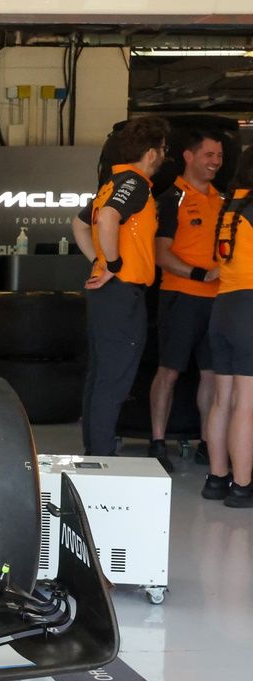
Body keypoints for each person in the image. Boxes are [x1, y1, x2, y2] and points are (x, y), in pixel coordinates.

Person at [71, 115, 170, 457]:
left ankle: (95, 451)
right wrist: (112, 265)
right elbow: (109, 217)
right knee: (113, 378)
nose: (163, 155)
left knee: (101, 375)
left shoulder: (112, 183)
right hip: (122, 293)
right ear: (152, 153)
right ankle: (101, 456)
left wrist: (98, 262)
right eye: (163, 148)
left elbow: (80, 224)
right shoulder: (136, 183)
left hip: (108, 294)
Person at [148, 131, 225, 473]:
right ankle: (157, 441)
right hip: (180, 297)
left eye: (219, 156)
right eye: (209, 155)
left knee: (212, 375)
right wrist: (199, 274)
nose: (215, 162)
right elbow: (161, 254)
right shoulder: (171, 199)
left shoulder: (223, 200)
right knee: (169, 371)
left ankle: (207, 443)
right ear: (189, 156)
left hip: (218, 301)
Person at [202, 145, 253, 506]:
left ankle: (217, 479)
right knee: (246, 404)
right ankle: (242, 486)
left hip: (223, 307)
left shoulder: (229, 208)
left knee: (222, 400)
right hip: (249, 309)